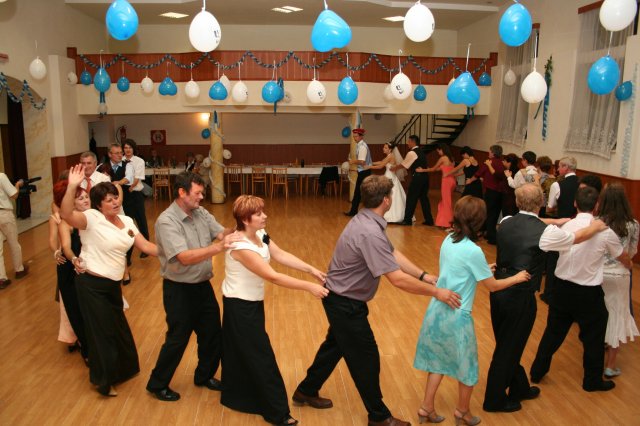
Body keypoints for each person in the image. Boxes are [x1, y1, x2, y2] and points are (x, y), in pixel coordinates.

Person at [295, 175, 461, 426]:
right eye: (391, 195)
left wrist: (423, 275)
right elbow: (397, 279)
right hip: (345, 303)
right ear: (386, 200)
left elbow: (392, 253)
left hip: (341, 298)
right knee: (366, 358)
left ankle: (306, 390)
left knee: (336, 346)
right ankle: (379, 417)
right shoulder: (370, 231)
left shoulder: (367, 219)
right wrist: (437, 292)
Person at [483, 184, 608, 413]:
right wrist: (597, 226)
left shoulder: (507, 221)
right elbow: (577, 237)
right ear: (541, 202)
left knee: (508, 344)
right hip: (520, 297)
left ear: (518, 202)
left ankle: (519, 387)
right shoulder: (545, 234)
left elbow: (531, 222)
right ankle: (494, 400)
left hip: (498, 291)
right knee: (508, 349)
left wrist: (557, 221)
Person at [414, 195, 530, 426]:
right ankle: (462, 412)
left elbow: (458, 269)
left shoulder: (448, 239)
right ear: (479, 221)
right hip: (458, 315)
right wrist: (516, 278)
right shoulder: (473, 250)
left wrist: (482, 269)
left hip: (437, 310)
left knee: (437, 362)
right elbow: (493, 286)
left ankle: (426, 407)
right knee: (467, 367)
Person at [221, 195, 329, 426]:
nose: (265, 216)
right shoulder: (240, 247)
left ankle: (237, 397)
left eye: (263, 211)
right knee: (262, 358)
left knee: (244, 351)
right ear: (245, 219)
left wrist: (311, 270)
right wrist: (309, 287)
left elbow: (280, 255)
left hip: (252, 303)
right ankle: (278, 413)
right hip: (239, 307)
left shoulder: (260, 234)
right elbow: (273, 276)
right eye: (259, 213)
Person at [60, 164, 158, 397]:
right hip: (91, 285)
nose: (114, 202)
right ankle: (104, 382)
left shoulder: (128, 221)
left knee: (118, 328)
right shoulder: (91, 218)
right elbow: (66, 215)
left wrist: (177, 252)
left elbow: (146, 246)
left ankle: (124, 371)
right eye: (108, 200)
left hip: (113, 286)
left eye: (116, 197)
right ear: (98, 205)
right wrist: (72, 187)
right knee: (101, 333)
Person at [146, 172, 241, 402]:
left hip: (202, 287)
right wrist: (218, 248)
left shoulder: (201, 213)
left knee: (212, 334)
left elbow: (221, 233)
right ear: (182, 192)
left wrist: (241, 223)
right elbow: (184, 257)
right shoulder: (167, 221)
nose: (201, 197)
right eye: (197, 193)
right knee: (177, 339)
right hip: (179, 290)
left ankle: (204, 376)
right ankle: (157, 384)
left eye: (202, 193)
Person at [530, 186, 631, 392]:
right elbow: (622, 256)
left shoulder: (565, 226)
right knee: (593, 338)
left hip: (561, 289)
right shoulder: (605, 231)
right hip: (588, 293)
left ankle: (537, 371)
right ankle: (591, 381)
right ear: (597, 206)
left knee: (553, 333)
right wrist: (628, 265)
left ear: (575, 203)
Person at [596, 183, 639, 378]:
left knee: (599, 315)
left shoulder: (597, 222)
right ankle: (610, 365)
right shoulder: (633, 224)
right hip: (620, 275)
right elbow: (631, 252)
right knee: (617, 316)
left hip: (597, 274)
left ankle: (594, 360)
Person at [52, 180, 90, 363]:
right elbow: (66, 247)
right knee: (75, 310)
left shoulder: (93, 217)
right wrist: (73, 259)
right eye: (80, 198)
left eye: (86, 197)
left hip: (88, 269)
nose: (86, 200)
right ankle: (87, 349)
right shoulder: (65, 222)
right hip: (69, 270)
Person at [541, 156, 579, 303]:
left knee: (553, 259)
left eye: (559, 166)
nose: (557, 169)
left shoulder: (558, 185)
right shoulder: (582, 184)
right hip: (578, 225)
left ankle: (549, 293)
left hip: (562, 225)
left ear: (566, 168)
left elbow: (550, 207)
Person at [392, 134, 434, 226]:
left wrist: (394, 168)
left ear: (412, 142)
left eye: (408, 141)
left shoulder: (412, 153)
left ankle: (407, 220)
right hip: (425, 178)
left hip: (418, 178)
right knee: (424, 199)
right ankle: (429, 220)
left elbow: (404, 164)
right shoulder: (421, 151)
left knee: (411, 198)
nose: (407, 143)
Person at [364, 142, 408, 223]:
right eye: (383, 147)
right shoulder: (389, 156)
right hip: (388, 176)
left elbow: (381, 166)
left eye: (385, 148)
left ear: (390, 149)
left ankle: (392, 215)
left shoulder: (390, 156)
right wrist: (371, 162)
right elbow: (381, 162)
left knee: (390, 195)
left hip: (390, 178)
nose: (383, 149)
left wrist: (369, 166)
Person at [416, 143, 456, 230]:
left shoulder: (443, 158)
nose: (438, 153)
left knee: (446, 203)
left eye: (438, 151)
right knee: (445, 202)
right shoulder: (451, 158)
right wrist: (427, 169)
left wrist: (422, 170)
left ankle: (448, 224)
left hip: (446, 181)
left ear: (442, 149)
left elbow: (433, 169)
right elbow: (440, 169)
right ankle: (444, 222)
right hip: (452, 181)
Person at [122, 139, 150, 259]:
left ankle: (146, 248)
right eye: (125, 148)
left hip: (135, 193)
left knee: (141, 221)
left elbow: (137, 177)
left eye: (130, 147)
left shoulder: (139, 161)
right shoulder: (120, 160)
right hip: (124, 194)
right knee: (127, 222)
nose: (128, 150)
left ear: (133, 149)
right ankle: (128, 251)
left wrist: (131, 187)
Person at [0, 173, 28, 289]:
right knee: (13, 243)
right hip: (4, 214)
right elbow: (14, 195)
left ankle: (2, 279)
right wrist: (17, 185)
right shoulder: (1, 176)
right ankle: (19, 270)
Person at [473, 144, 506, 244]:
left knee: (487, 213)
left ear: (493, 153)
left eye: (490, 151)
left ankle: (491, 236)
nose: (489, 152)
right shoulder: (502, 163)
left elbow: (479, 173)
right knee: (495, 214)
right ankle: (489, 233)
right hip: (500, 192)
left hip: (491, 191)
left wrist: (470, 180)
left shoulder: (489, 162)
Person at [344, 128, 372, 216]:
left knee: (359, 193)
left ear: (361, 136)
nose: (354, 138)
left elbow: (362, 161)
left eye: (356, 136)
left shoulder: (362, 147)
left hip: (364, 172)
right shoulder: (360, 145)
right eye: (354, 136)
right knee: (359, 193)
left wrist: (352, 161)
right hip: (363, 171)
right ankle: (354, 211)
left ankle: (354, 211)